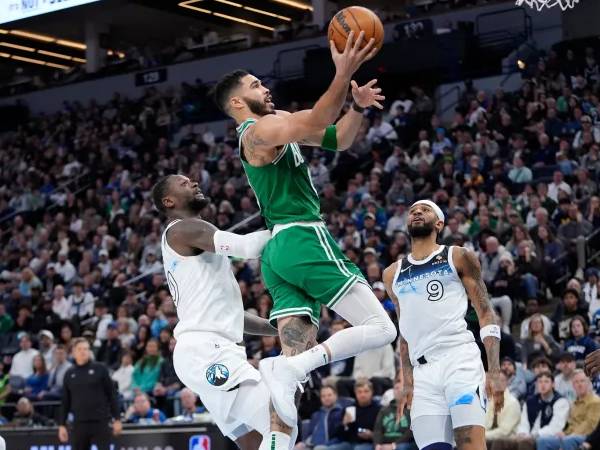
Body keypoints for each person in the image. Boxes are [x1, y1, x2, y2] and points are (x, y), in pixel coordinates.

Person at [212, 31, 396, 430]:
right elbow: (317, 118)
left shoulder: (275, 125)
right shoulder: (257, 134)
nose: (266, 87)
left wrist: (358, 108)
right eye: (256, 85)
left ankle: (277, 436)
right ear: (237, 102)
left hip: (278, 255)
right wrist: (342, 71)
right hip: (302, 238)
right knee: (382, 328)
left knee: (291, 378)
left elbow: (338, 139)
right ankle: (286, 369)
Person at [151, 174, 292, 450]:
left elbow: (234, 317)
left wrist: (274, 327)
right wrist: (293, 225)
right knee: (280, 421)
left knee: (256, 442)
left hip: (208, 349)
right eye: (184, 183)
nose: (193, 183)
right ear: (169, 201)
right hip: (208, 350)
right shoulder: (182, 229)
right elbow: (248, 247)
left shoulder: (193, 238)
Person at [381, 200, 504, 450]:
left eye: (424, 210)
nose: (416, 212)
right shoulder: (392, 274)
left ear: (439, 223)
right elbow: (405, 331)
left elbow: (486, 313)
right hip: (423, 373)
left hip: (459, 360)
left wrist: (494, 371)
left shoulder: (457, 256)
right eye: (412, 210)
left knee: (471, 445)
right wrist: (407, 382)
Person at [58, 337, 121, 450]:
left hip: (100, 422)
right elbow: (65, 402)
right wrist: (62, 425)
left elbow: (112, 395)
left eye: (86, 349)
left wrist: (117, 419)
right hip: (79, 423)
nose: (83, 352)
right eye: (80, 349)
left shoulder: (100, 369)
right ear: (73, 352)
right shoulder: (69, 374)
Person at [536, 370, 600, 450]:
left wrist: (570, 435)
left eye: (582, 381)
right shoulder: (574, 403)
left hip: (586, 437)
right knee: (542, 440)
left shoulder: (595, 401)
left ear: (588, 383)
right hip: (570, 436)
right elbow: (570, 423)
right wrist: (564, 432)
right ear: (573, 385)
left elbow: (590, 424)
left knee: (568, 441)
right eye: (576, 382)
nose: (579, 384)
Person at [373, 381, 416, 450]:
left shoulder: (412, 409)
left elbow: (411, 432)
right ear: (393, 391)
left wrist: (394, 445)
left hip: (405, 444)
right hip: (385, 443)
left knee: (401, 448)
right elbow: (378, 430)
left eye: (402, 387)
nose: (399, 390)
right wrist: (377, 444)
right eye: (396, 388)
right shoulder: (384, 410)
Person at [340, 379, 381, 450]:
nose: (363, 395)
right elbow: (340, 436)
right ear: (355, 393)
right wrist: (344, 425)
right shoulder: (349, 409)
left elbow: (386, 433)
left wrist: (372, 435)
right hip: (350, 443)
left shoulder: (379, 409)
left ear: (372, 392)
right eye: (359, 392)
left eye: (366, 391)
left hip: (371, 443)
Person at [303, 385, 346, 450]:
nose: (326, 398)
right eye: (323, 396)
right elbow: (310, 434)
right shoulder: (316, 415)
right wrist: (304, 443)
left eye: (329, 395)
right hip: (312, 445)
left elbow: (340, 437)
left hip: (330, 446)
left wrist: (325, 445)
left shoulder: (341, 413)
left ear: (335, 396)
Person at [484, 371, 521, 442]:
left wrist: (483, 436)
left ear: (507, 383)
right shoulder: (490, 401)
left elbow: (504, 431)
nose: (498, 383)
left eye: (502, 380)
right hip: (489, 437)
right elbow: (485, 424)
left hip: (508, 440)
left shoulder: (513, 403)